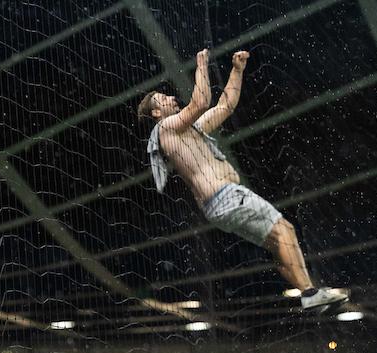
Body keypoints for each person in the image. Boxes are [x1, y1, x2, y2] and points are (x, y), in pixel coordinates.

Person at [139, 49, 348, 311]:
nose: (170, 97)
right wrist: (201, 65)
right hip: (225, 196)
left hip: (220, 206)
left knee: (276, 243)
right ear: (156, 113)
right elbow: (201, 101)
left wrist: (237, 70)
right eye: (163, 99)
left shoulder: (188, 131)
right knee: (285, 230)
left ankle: (309, 294)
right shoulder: (165, 129)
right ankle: (309, 293)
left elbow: (225, 106)